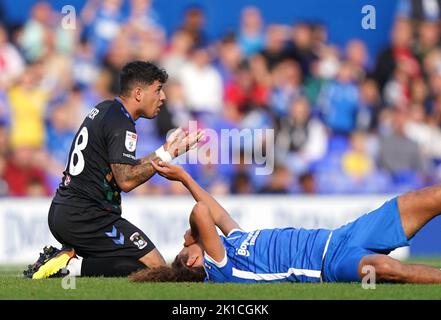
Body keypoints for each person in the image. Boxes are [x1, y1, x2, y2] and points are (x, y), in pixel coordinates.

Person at [24, 61, 203, 279]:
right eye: (157, 90)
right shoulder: (122, 123)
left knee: (135, 264)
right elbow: (126, 181)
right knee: (158, 268)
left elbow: (125, 166)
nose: (163, 97)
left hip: (68, 210)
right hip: (87, 215)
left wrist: (166, 150)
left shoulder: (105, 109)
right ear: (138, 93)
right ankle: (66, 268)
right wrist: (167, 155)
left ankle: (67, 261)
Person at [130, 161, 441, 283]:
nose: (189, 240)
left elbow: (217, 211)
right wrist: (193, 232)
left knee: (425, 198)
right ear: (195, 258)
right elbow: (201, 212)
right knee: (387, 269)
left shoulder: (232, 245)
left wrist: (185, 177)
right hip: (330, 263)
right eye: (189, 245)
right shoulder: (219, 266)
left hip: (342, 235)